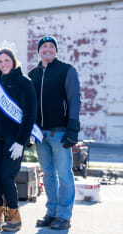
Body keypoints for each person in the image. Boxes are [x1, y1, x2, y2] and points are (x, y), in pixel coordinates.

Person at [0, 48, 37, 231]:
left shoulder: (24, 82)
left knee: (6, 176)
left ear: (14, 61)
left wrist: (21, 141)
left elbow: (30, 115)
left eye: (7, 60)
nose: (4, 64)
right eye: (0, 61)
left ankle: (14, 216)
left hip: (14, 139)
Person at [29, 36, 81, 230]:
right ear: (39, 51)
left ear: (56, 50)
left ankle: (64, 215)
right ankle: (51, 213)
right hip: (40, 134)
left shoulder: (67, 70)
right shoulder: (32, 74)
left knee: (65, 175)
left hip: (60, 133)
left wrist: (73, 128)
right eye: (44, 46)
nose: (48, 49)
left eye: (51, 46)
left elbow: (75, 100)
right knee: (48, 175)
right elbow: (29, 104)